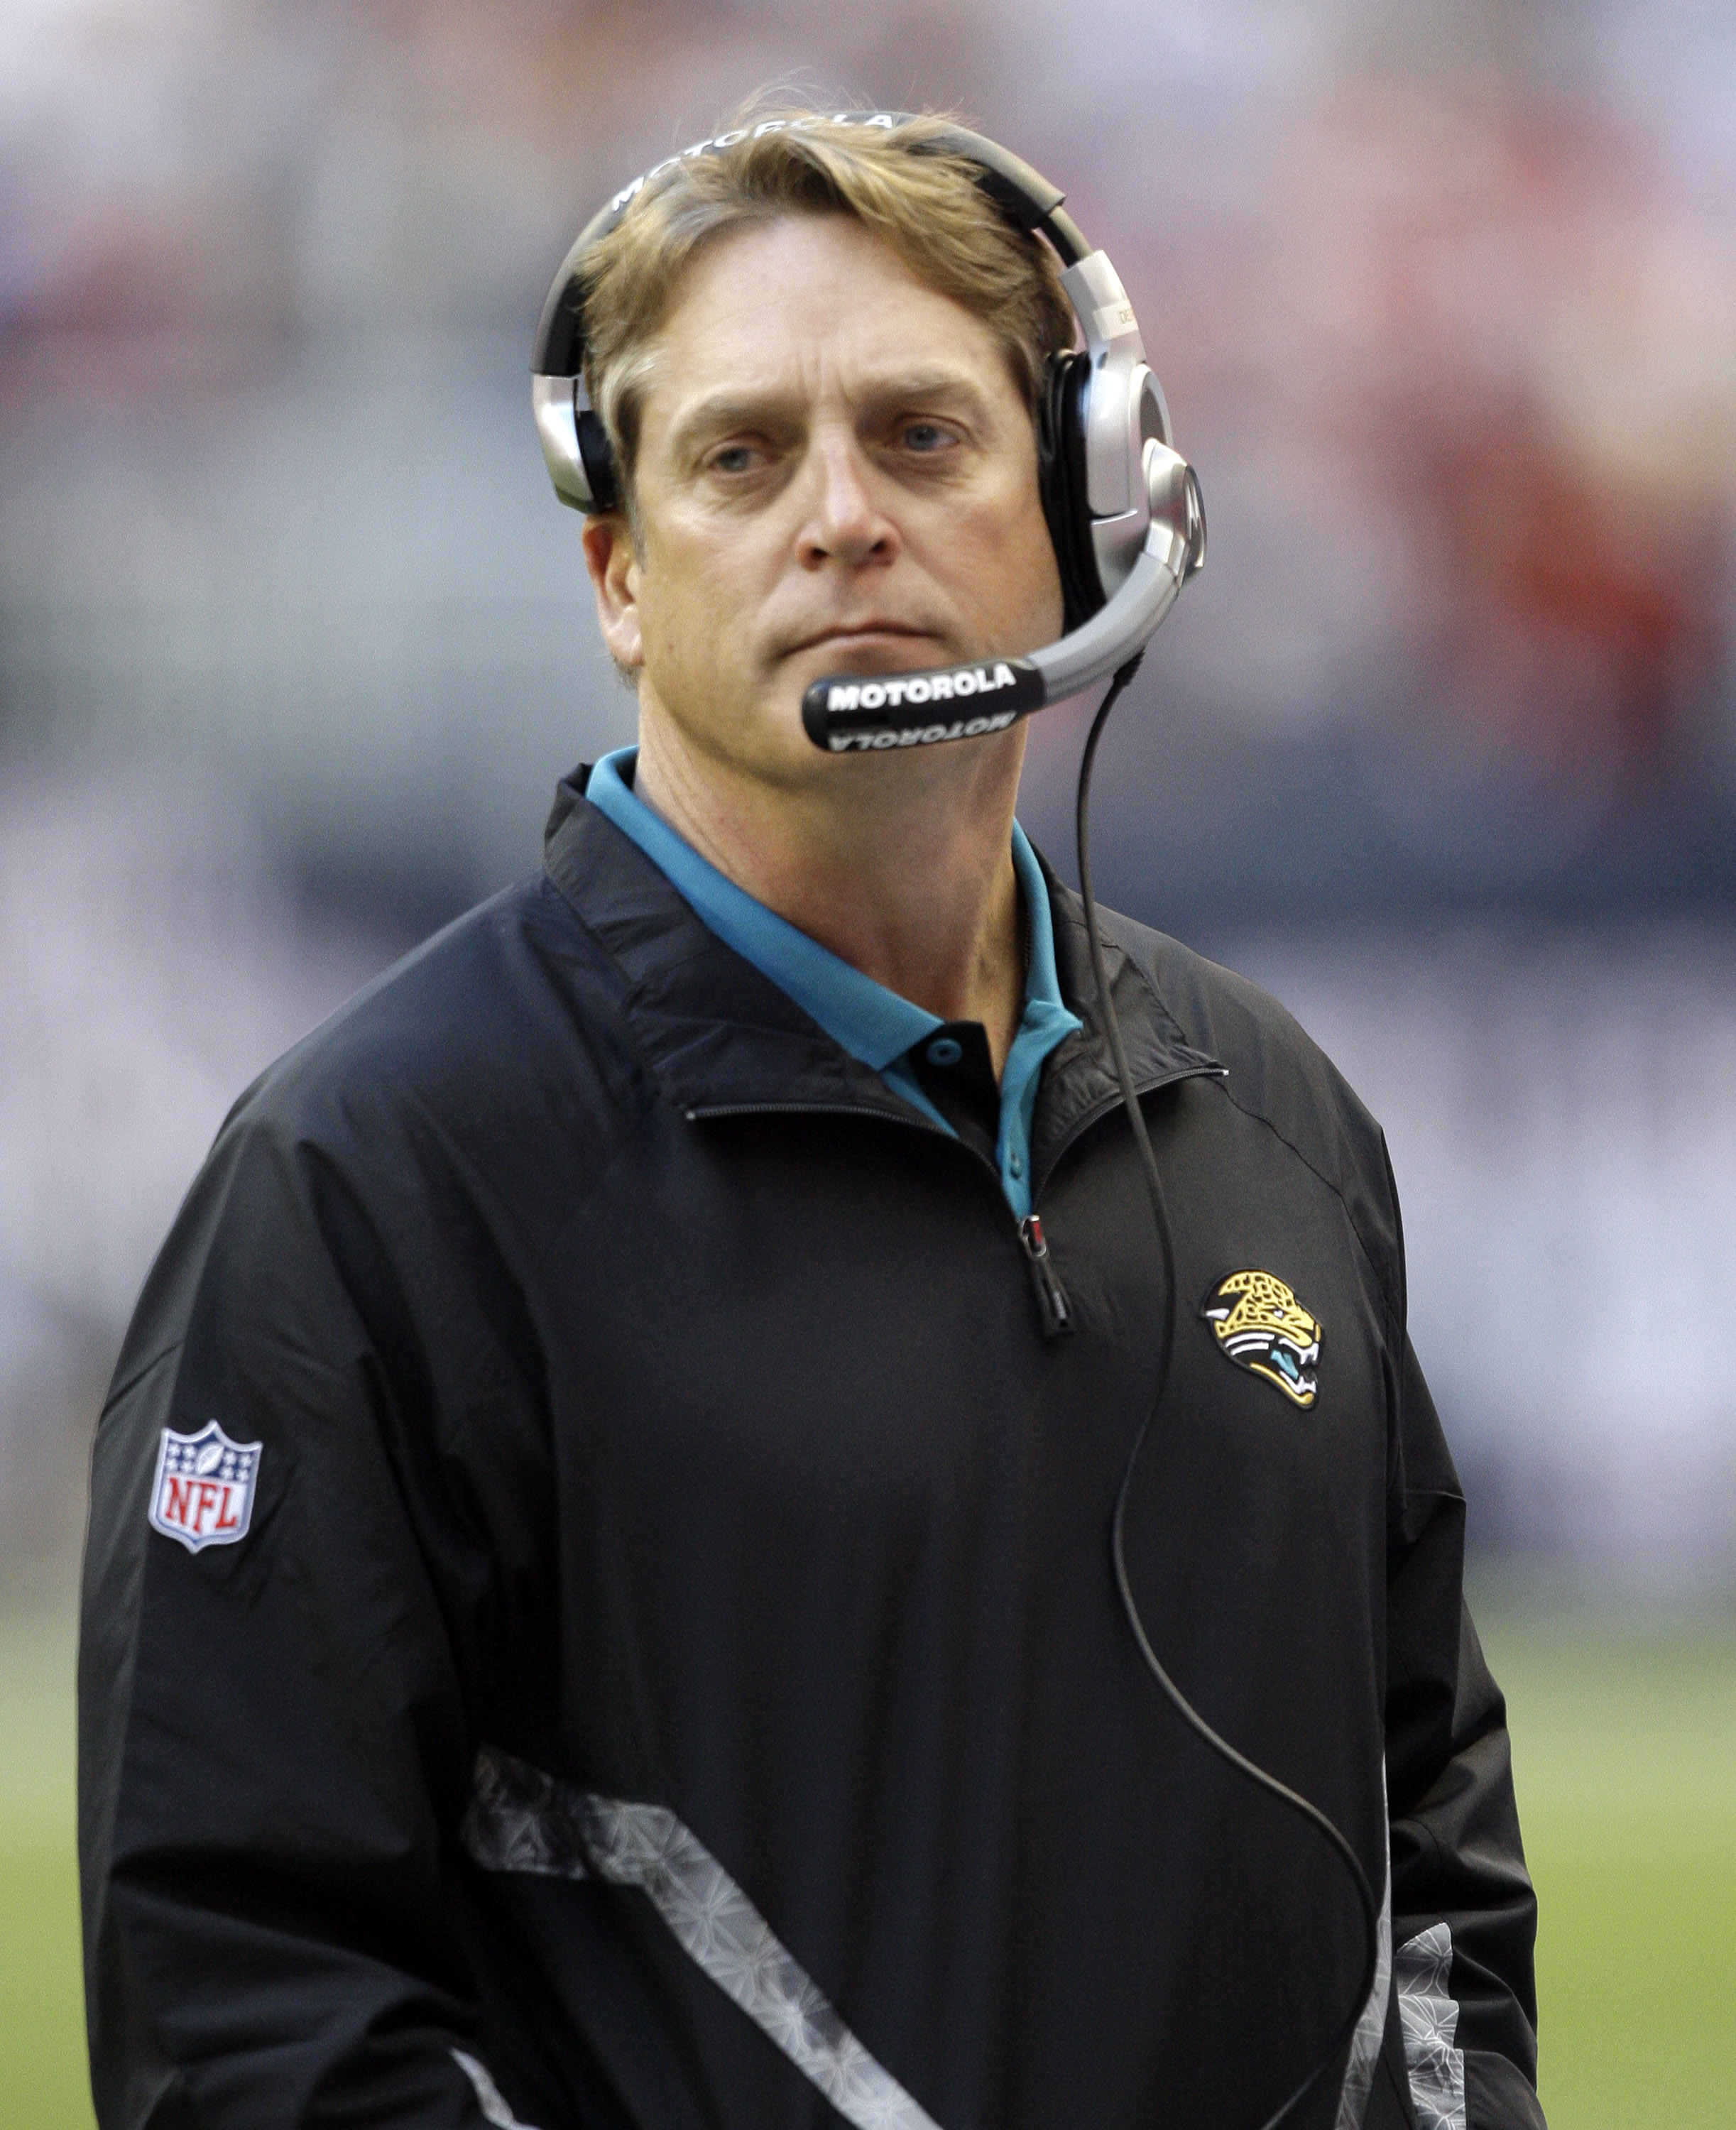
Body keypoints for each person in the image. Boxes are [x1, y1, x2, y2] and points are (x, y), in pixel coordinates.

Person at [79, 110, 1545, 2130]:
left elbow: (1431, 1845)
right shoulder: (368, 1179)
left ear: (1082, 511)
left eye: (923, 439)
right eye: (742, 457)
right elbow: (251, 2008)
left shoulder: (1273, 1114)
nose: (842, 517)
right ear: (619, 575)